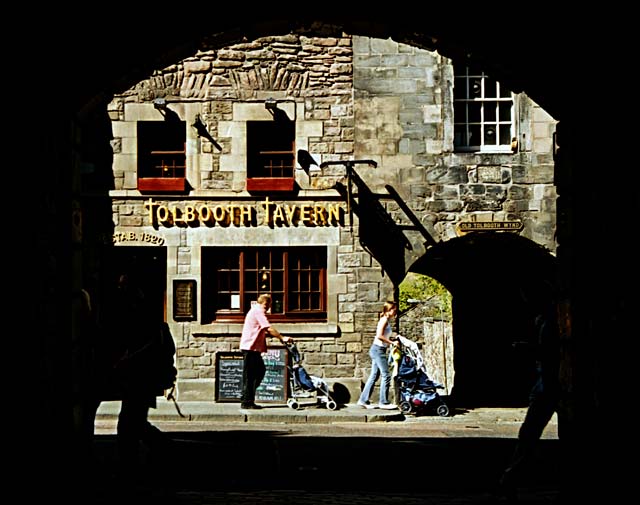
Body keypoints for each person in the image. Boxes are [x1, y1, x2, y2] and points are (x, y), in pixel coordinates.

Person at [498, 282, 561, 501]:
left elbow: (550, 352)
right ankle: (511, 477)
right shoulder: (549, 318)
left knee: (530, 432)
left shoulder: (552, 320)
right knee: (530, 432)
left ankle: (511, 477)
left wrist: (528, 348)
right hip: (546, 381)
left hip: (549, 381)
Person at [110, 272, 175, 481]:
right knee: (133, 422)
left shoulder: (142, 313)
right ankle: (134, 461)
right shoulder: (136, 311)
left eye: (123, 287)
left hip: (141, 377)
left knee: (130, 424)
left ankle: (132, 466)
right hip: (138, 377)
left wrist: (127, 360)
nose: (120, 291)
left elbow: (151, 345)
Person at [239, 293, 292, 409]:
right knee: (252, 375)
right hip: (250, 348)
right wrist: (282, 338)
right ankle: (247, 401)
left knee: (257, 372)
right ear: (265, 303)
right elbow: (268, 328)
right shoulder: (258, 311)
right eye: (269, 304)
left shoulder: (255, 310)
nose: (269, 307)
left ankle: (247, 398)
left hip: (253, 348)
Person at [357, 301, 399, 410]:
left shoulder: (386, 320)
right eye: (394, 309)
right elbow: (379, 335)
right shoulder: (384, 320)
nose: (395, 311)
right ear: (389, 310)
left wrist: (393, 338)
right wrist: (392, 342)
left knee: (374, 375)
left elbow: (383, 335)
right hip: (378, 350)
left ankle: (363, 400)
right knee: (386, 375)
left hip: (378, 349)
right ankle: (383, 402)